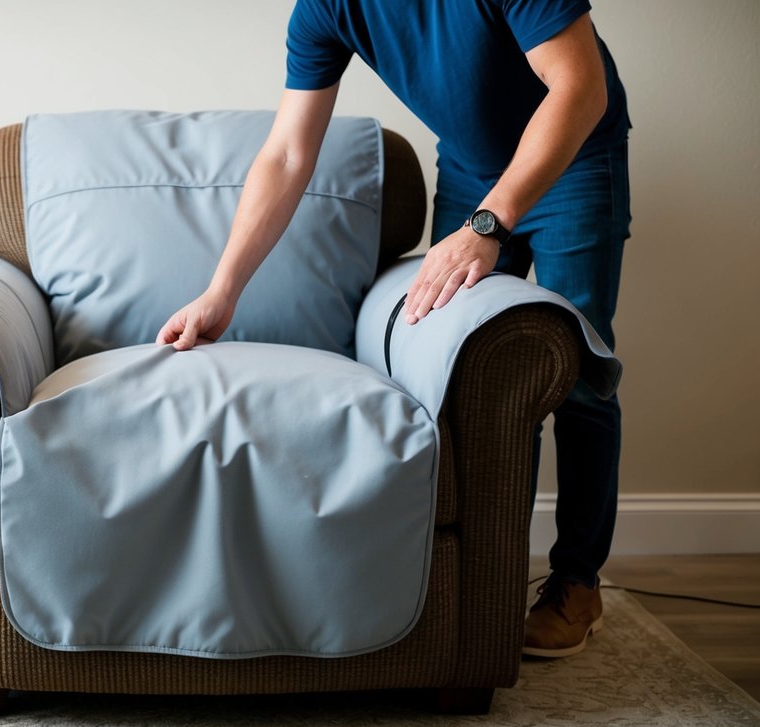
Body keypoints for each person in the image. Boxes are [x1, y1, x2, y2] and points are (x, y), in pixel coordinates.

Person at [155, 0, 630, 658]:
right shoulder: (323, 10)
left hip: (574, 160)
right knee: (459, 365)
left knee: (578, 371)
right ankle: (485, 579)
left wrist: (489, 226)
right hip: (469, 170)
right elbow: (288, 155)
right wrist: (221, 290)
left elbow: (579, 87)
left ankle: (576, 582)